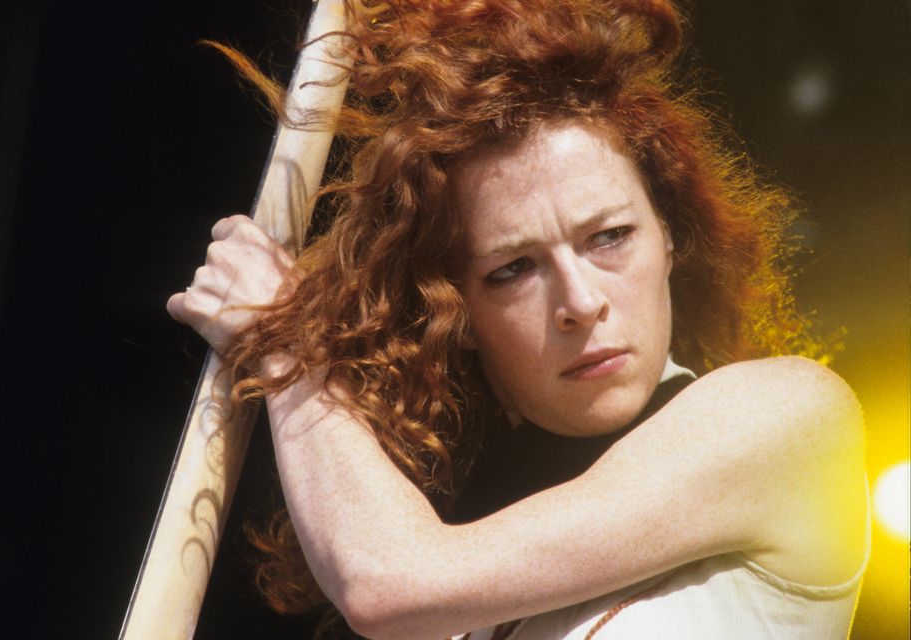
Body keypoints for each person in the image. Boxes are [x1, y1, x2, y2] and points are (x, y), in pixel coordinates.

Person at [167, 1, 868, 637]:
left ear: (671, 236)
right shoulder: (466, 565)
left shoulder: (790, 417)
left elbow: (389, 585)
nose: (580, 301)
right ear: (457, 310)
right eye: (513, 269)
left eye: (609, 237)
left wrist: (287, 343)